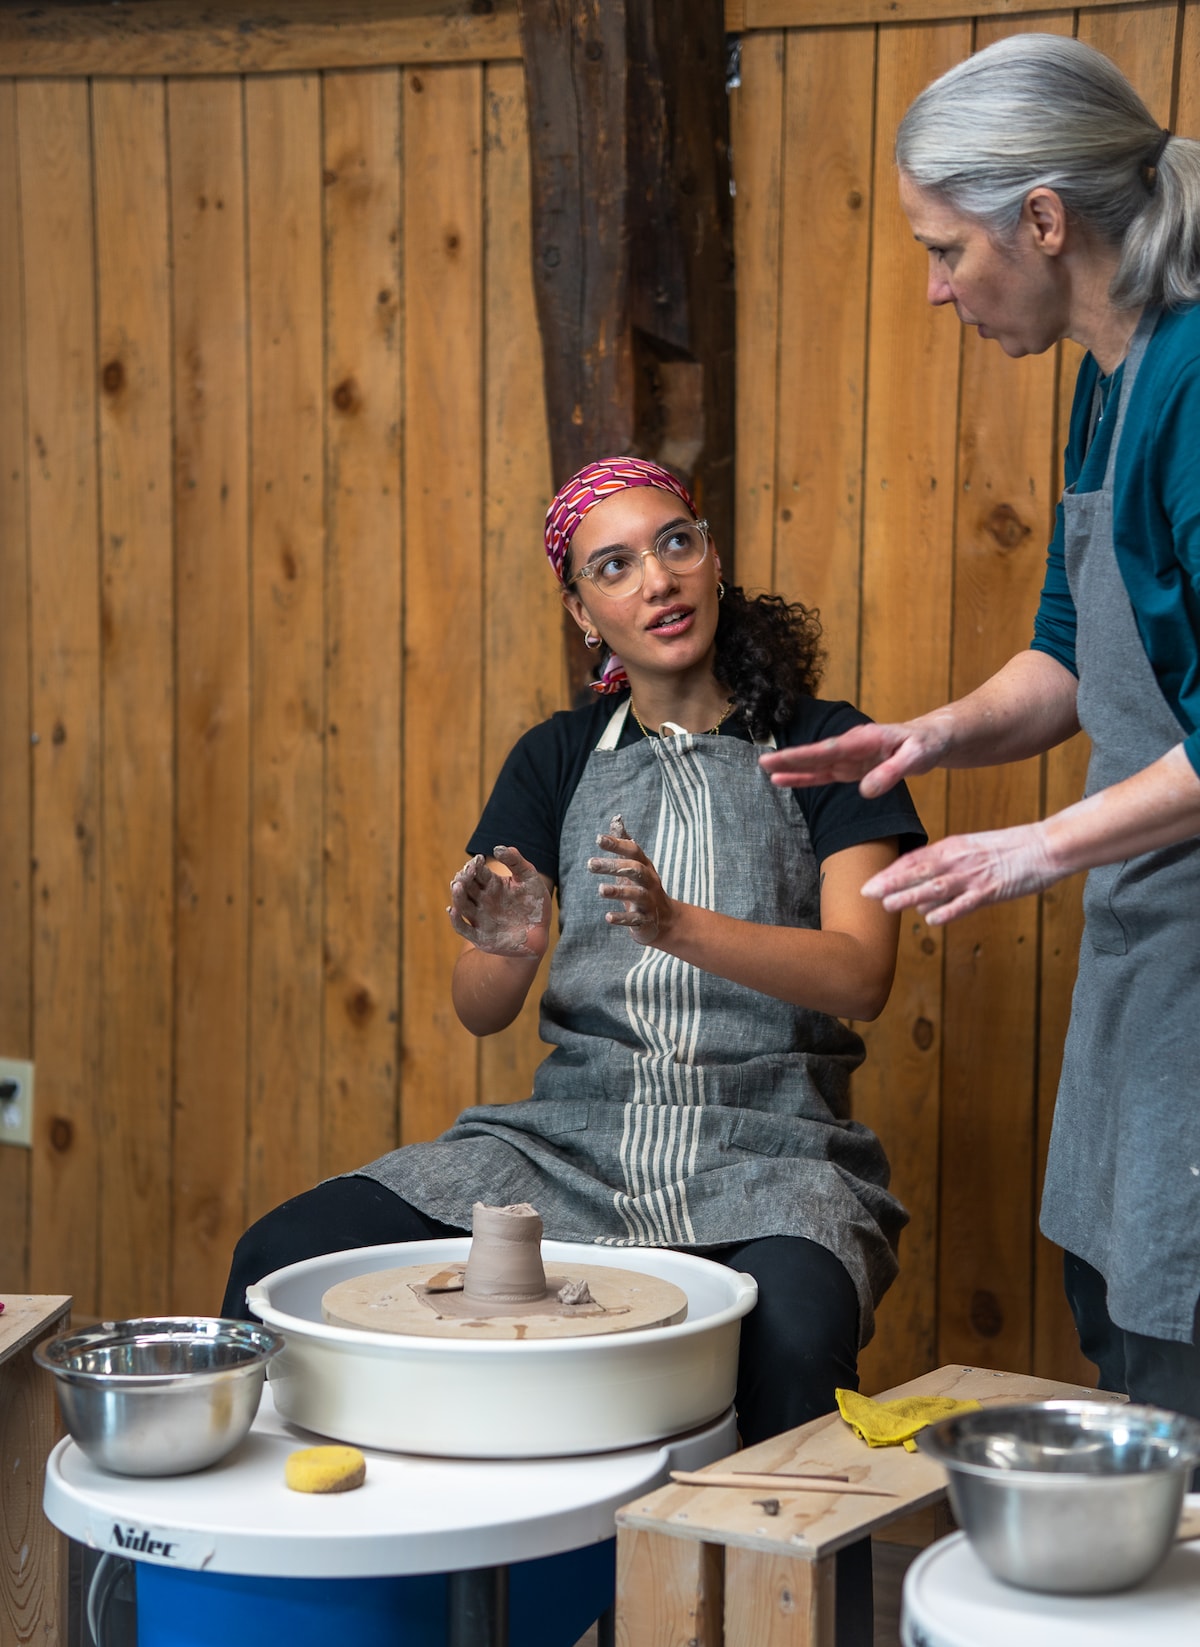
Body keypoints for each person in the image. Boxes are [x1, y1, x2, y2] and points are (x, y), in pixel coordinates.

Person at [223, 457, 924, 1640]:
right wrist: (509, 941)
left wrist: (676, 926)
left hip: (773, 1147)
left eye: (678, 544)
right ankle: (323, 1600)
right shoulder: (555, 757)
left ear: (714, 556)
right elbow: (482, 1008)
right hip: (568, 1143)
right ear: (581, 610)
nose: (658, 580)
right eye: (616, 566)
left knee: (800, 1334)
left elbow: (862, 972)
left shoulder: (828, 743)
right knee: (279, 1256)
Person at [760, 33, 1200, 1419]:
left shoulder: (1194, 380)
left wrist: (1039, 846)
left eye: (947, 248)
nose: (941, 287)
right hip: (1148, 920)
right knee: (1123, 1301)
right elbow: (1080, 653)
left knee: (1180, 1331)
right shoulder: (1107, 374)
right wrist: (932, 734)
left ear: (1047, 220)